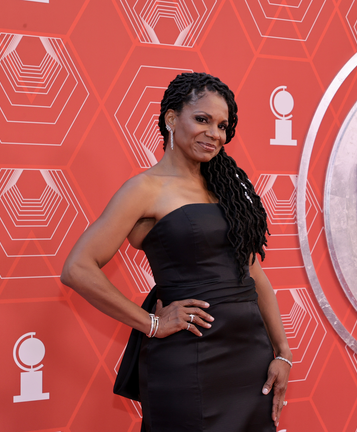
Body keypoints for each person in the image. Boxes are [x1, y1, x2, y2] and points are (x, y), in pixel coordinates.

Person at [60, 72, 292, 431]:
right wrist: (152, 324)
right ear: (171, 118)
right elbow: (78, 268)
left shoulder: (227, 189)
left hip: (250, 359)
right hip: (190, 358)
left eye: (222, 125)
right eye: (202, 119)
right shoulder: (144, 189)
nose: (215, 133)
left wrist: (283, 354)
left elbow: (254, 274)